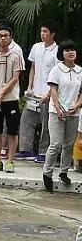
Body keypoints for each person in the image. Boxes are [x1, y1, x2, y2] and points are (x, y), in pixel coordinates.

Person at [42, 40, 82, 192]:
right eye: (67, 50)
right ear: (62, 54)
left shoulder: (80, 71)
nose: (70, 52)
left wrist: (77, 105)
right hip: (57, 112)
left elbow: (81, 93)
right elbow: (53, 91)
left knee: (69, 144)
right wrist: (58, 108)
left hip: (74, 112)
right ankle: (47, 173)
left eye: (72, 50)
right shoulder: (56, 70)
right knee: (56, 144)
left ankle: (64, 171)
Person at [0, 24, 25, 173]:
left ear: (10, 37)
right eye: (0, 35)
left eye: (5, 35)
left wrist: (2, 93)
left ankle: (10, 160)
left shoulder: (16, 55)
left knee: (12, 130)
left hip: (10, 97)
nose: (3, 38)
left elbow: (15, 78)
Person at [18, 22, 60, 162]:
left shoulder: (57, 51)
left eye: (46, 31)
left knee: (46, 125)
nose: (42, 34)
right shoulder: (36, 47)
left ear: (52, 34)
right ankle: (25, 149)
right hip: (34, 93)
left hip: (47, 95)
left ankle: (43, 152)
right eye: (41, 31)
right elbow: (33, 68)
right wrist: (30, 87)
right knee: (26, 120)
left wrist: (49, 94)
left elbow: (56, 76)